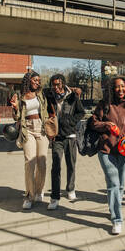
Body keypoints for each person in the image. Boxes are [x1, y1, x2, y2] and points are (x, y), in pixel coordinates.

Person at [89, 76, 125, 235]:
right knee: (113, 183)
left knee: (120, 185)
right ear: (113, 89)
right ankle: (117, 219)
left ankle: (114, 207)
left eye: (123, 86)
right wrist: (106, 124)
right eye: (118, 87)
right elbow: (93, 122)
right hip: (106, 150)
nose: (121, 89)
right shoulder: (105, 105)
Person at [10, 71, 51, 210]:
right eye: (35, 80)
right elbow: (16, 117)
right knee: (30, 162)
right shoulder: (20, 96)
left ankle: (39, 191)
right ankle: (29, 195)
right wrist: (15, 107)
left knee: (42, 162)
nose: (37, 82)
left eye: (39, 80)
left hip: (41, 128)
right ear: (28, 81)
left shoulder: (41, 94)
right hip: (27, 129)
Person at [45, 74, 85, 210]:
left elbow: (81, 112)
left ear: (63, 84)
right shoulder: (49, 96)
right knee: (55, 166)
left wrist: (71, 122)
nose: (56, 87)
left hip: (71, 136)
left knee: (71, 164)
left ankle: (70, 189)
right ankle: (54, 197)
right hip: (57, 137)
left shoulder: (72, 97)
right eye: (54, 84)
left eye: (58, 84)